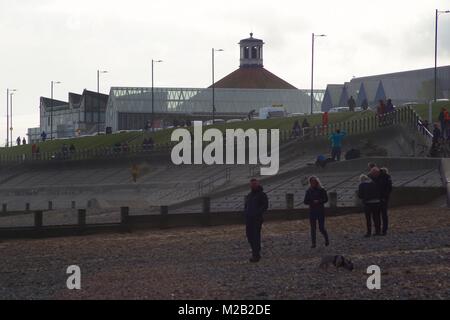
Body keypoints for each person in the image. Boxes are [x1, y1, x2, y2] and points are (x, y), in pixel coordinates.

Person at [244, 179, 269, 262]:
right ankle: (255, 252)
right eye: (252, 184)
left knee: (255, 236)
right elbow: (246, 205)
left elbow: (265, 205)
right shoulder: (249, 195)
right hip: (249, 219)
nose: (253, 186)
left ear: (258, 184)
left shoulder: (262, 194)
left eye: (254, 184)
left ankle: (256, 255)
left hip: (257, 219)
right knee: (249, 236)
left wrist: (257, 213)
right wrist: (246, 213)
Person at [303, 176, 329, 248]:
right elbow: (305, 201)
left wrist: (319, 201)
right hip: (312, 211)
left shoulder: (322, 190)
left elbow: (326, 199)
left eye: (314, 181)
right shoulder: (308, 191)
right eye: (311, 182)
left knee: (321, 228)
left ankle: (326, 239)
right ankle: (313, 243)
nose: (313, 183)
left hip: (320, 210)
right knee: (313, 228)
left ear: (317, 182)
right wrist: (312, 202)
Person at [371, 167, 393, 236]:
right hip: (376, 199)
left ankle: (384, 230)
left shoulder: (386, 177)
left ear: (377, 172)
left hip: (383, 199)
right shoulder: (372, 177)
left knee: (384, 215)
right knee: (375, 215)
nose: (373, 176)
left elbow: (389, 188)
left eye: (374, 174)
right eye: (373, 174)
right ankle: (377, 230)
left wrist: (385, 197)